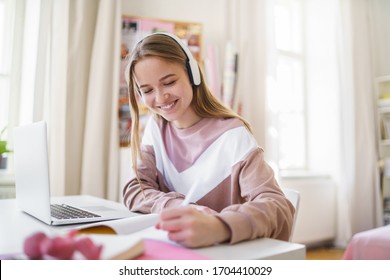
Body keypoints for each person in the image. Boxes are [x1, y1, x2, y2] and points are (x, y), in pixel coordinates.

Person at [123, 32, 295, 248]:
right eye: (147, 90)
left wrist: (219, 226)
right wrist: (178, 207)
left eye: (169, 82)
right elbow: (135, 189)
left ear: (193, 73)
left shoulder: (233, 135)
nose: (160, 98)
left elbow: (277, 206)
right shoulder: (156, 127)